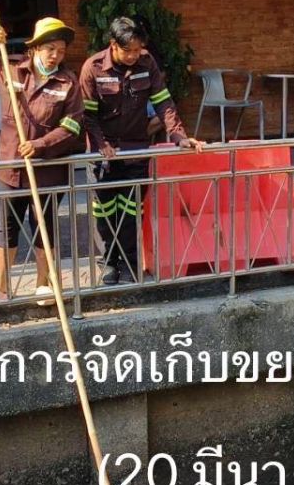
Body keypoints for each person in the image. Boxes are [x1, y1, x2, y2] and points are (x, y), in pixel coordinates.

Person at [77, 16, 204, 285]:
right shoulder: (93, 68)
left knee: (131, 210)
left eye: (138, 49)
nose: (135, 55)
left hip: (136, 150)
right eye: (129, 50)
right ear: (113, 45)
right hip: (104, 154)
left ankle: (130, 262)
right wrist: (101, 144)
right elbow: (87, 115)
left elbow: (163, 102)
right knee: (104, 211)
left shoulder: (147, 63)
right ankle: (108, 263)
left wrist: (179, 136)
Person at [0, 17, 85, 301]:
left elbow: (72, 126)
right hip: (10, 166)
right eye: (50, 49)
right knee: (6, 228)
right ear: (35, 48)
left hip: (48, 169)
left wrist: (41, 145)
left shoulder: (68, 82)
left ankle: (44, 285)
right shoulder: (10, 69)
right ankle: (1, 288)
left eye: (61, 50)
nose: (55, 55)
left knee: (44, 226)